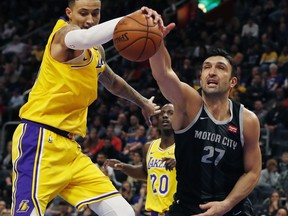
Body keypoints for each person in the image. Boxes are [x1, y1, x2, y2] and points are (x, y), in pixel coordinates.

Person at [11, 0, 164, 215]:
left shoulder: (96, 50)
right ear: (69, 13)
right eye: (83, 13)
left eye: (96, 13)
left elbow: (113, 82)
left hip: (71, 149)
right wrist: (132, 19)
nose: (90, 20)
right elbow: (82, 38)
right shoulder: (63, 35)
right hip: (40, 141)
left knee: (123, 212)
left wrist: (144, 103)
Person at [149, 29, 262, 215]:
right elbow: (163, 73)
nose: (212, 72)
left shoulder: (247, 120)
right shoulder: (187, 104)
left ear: (233, 81)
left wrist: (226, 204)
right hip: (187, 207)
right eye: (207, 67)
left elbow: (252, 171)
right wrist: (155, 40)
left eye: (220, 68)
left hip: (232, 208)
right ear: (200, 77)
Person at [105, 103, 176, 215]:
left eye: (171, 113)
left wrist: (181, 164)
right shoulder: (149, 147)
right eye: (162, 114)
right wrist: (123, 166)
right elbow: (144, 173)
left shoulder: (185, 147)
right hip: (155, 210)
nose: (165, 116)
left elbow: (197, 174)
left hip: (176, 209)